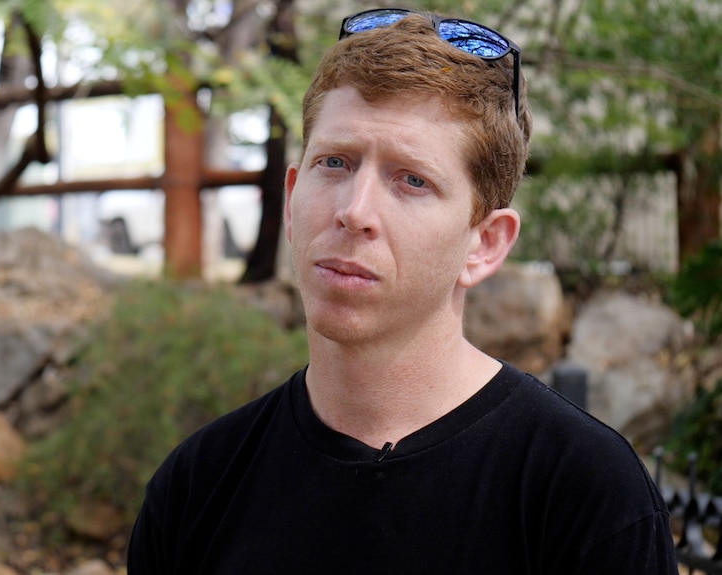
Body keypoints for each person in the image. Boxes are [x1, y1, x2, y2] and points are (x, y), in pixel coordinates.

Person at [127, 8, 677, 574]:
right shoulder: (198, 484)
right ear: (292, 200)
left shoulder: (585, 493)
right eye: (335, 163)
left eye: (412, 180)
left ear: (485, 244)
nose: (354, 211)